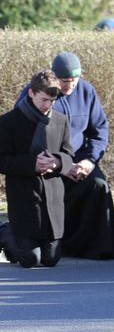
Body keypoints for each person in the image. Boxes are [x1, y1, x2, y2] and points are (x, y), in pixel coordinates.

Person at [16, 52, 114, 260]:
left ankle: (92, 248)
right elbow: (25, 136)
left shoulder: (87, 91)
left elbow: (99, 130)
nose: (69, 87)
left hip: (78, 162)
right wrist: (58, 164)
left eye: (74, 82)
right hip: (47, 164)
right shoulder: (36, 94)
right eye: (64, 82)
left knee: (99, 186)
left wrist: (89, 161)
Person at [0, 71, 74, 268]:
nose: (47, 106)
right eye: (44, 100)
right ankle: (7, 233)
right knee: (31, 260)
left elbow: (68, 154)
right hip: (25, 197)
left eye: (52, 101)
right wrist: (32, 164)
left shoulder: (60, 120)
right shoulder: (8, 122)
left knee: (51, 260)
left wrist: (57, 162)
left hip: (53, 197)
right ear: (31, 93)